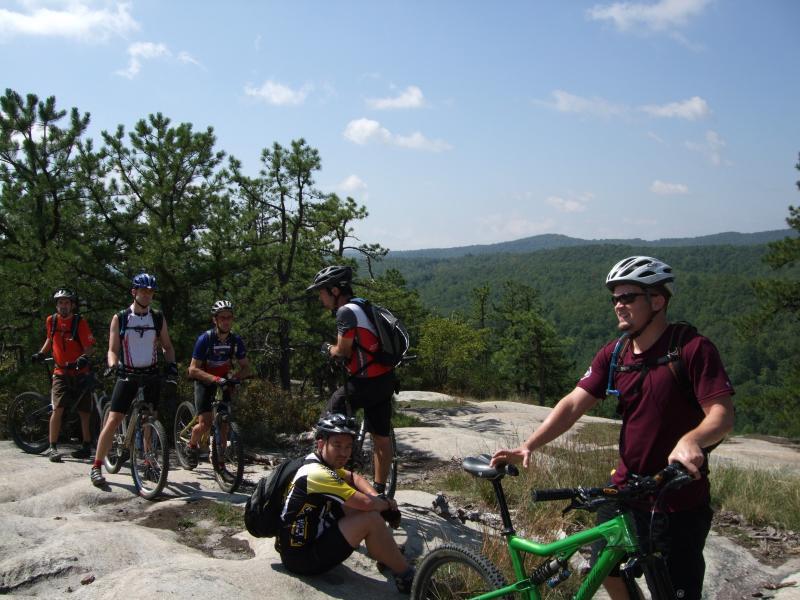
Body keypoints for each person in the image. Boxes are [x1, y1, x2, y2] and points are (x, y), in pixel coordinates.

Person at [491, 256, 735, 600]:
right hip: (623, 490)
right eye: (615, 298)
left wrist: (692, 439)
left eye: (628, 297)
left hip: (675, 499)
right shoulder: (616, 354)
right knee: (602, 570)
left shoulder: (692, 349)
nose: (619, 305)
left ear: (657, 300)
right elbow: (574, 403)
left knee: (674, 590)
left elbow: (721, 414)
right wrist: (529, 445)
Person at [276, 413, 414, 593]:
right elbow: (365, 503)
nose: (344, 453)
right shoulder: (317, 473)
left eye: (349, 446)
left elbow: (354, 478)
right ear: (320, 443)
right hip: (302, 559)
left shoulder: (316, 461)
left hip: (302, 545)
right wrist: (386, 506)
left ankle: (386, 554)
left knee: (354, 502)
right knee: (369, 517)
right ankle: (407, 576)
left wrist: (378, 497)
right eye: (337, 445)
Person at [306, 265, 396, 495]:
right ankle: (379, 490)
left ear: (335, 290)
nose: (320, 297)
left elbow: (343, 351)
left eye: (322, 292)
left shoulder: (345, 312)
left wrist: (327, 349)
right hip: (385, 379)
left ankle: (328, 478)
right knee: (382, 438)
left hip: (363, 382)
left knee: (331, 419)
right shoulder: (363, 305)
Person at [90, 272, 177, 487]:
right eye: (143, 291)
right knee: (114, 419)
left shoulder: (157, 317)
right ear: (134, 292)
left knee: (150, 419)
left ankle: (148, 461)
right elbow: (112, 350)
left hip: (150, 374)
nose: (147, 295)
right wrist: (113, 365)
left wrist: (172, 365)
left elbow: (167, 346)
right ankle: (96, 466)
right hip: (127, 373)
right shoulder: (120, 318)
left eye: (150, 292)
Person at [185, 300, 252, 468]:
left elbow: (246, 367)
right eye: (222, 318)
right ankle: (191, 445)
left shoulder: (235, 340)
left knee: (224, 423)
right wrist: (213, 379)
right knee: (205, 424)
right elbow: (192, 370)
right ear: (215, 320)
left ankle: (220, 461)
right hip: (205, 381)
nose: (226, 321)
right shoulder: (205, 339)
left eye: (229, 317)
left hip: (223, 380)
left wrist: (235, 378)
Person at [32, 288, 96, 462]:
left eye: (67, 302)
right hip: (60, 372)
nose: (63, 306)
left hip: (80, 372)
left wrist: (83, 358)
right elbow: (49, 339)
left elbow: (89, 347)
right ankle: (52, 447)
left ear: (72, 305)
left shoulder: (79, 322)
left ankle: (86, 446)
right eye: (60, 302)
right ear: (57, 305)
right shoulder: (51, 321)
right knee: (58, 408)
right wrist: (41, 353)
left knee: (84, 411)